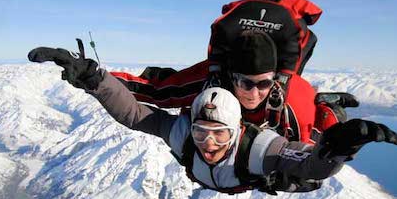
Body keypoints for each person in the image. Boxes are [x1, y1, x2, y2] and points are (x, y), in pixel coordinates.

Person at [27, 41, 397, 194]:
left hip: (260, 176)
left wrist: (336, 150)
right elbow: (135, 113)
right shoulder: (182, 133)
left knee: (302, 182)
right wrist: (96, 80)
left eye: (219, 135)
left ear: (237, 129)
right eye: (203, 131)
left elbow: (308, 165)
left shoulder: (260, 149)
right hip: (236, 177)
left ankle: (327, 109)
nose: (208, 143)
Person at [110, 30, 359, 145]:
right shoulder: (209, 82)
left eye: (263, 84)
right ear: (231, 76)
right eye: (245, 83)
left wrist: (335, 129)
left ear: (275, 80)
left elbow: (313, 154)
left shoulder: (294, 98)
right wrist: (96, 77)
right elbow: (157, 91)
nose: (253, 93)